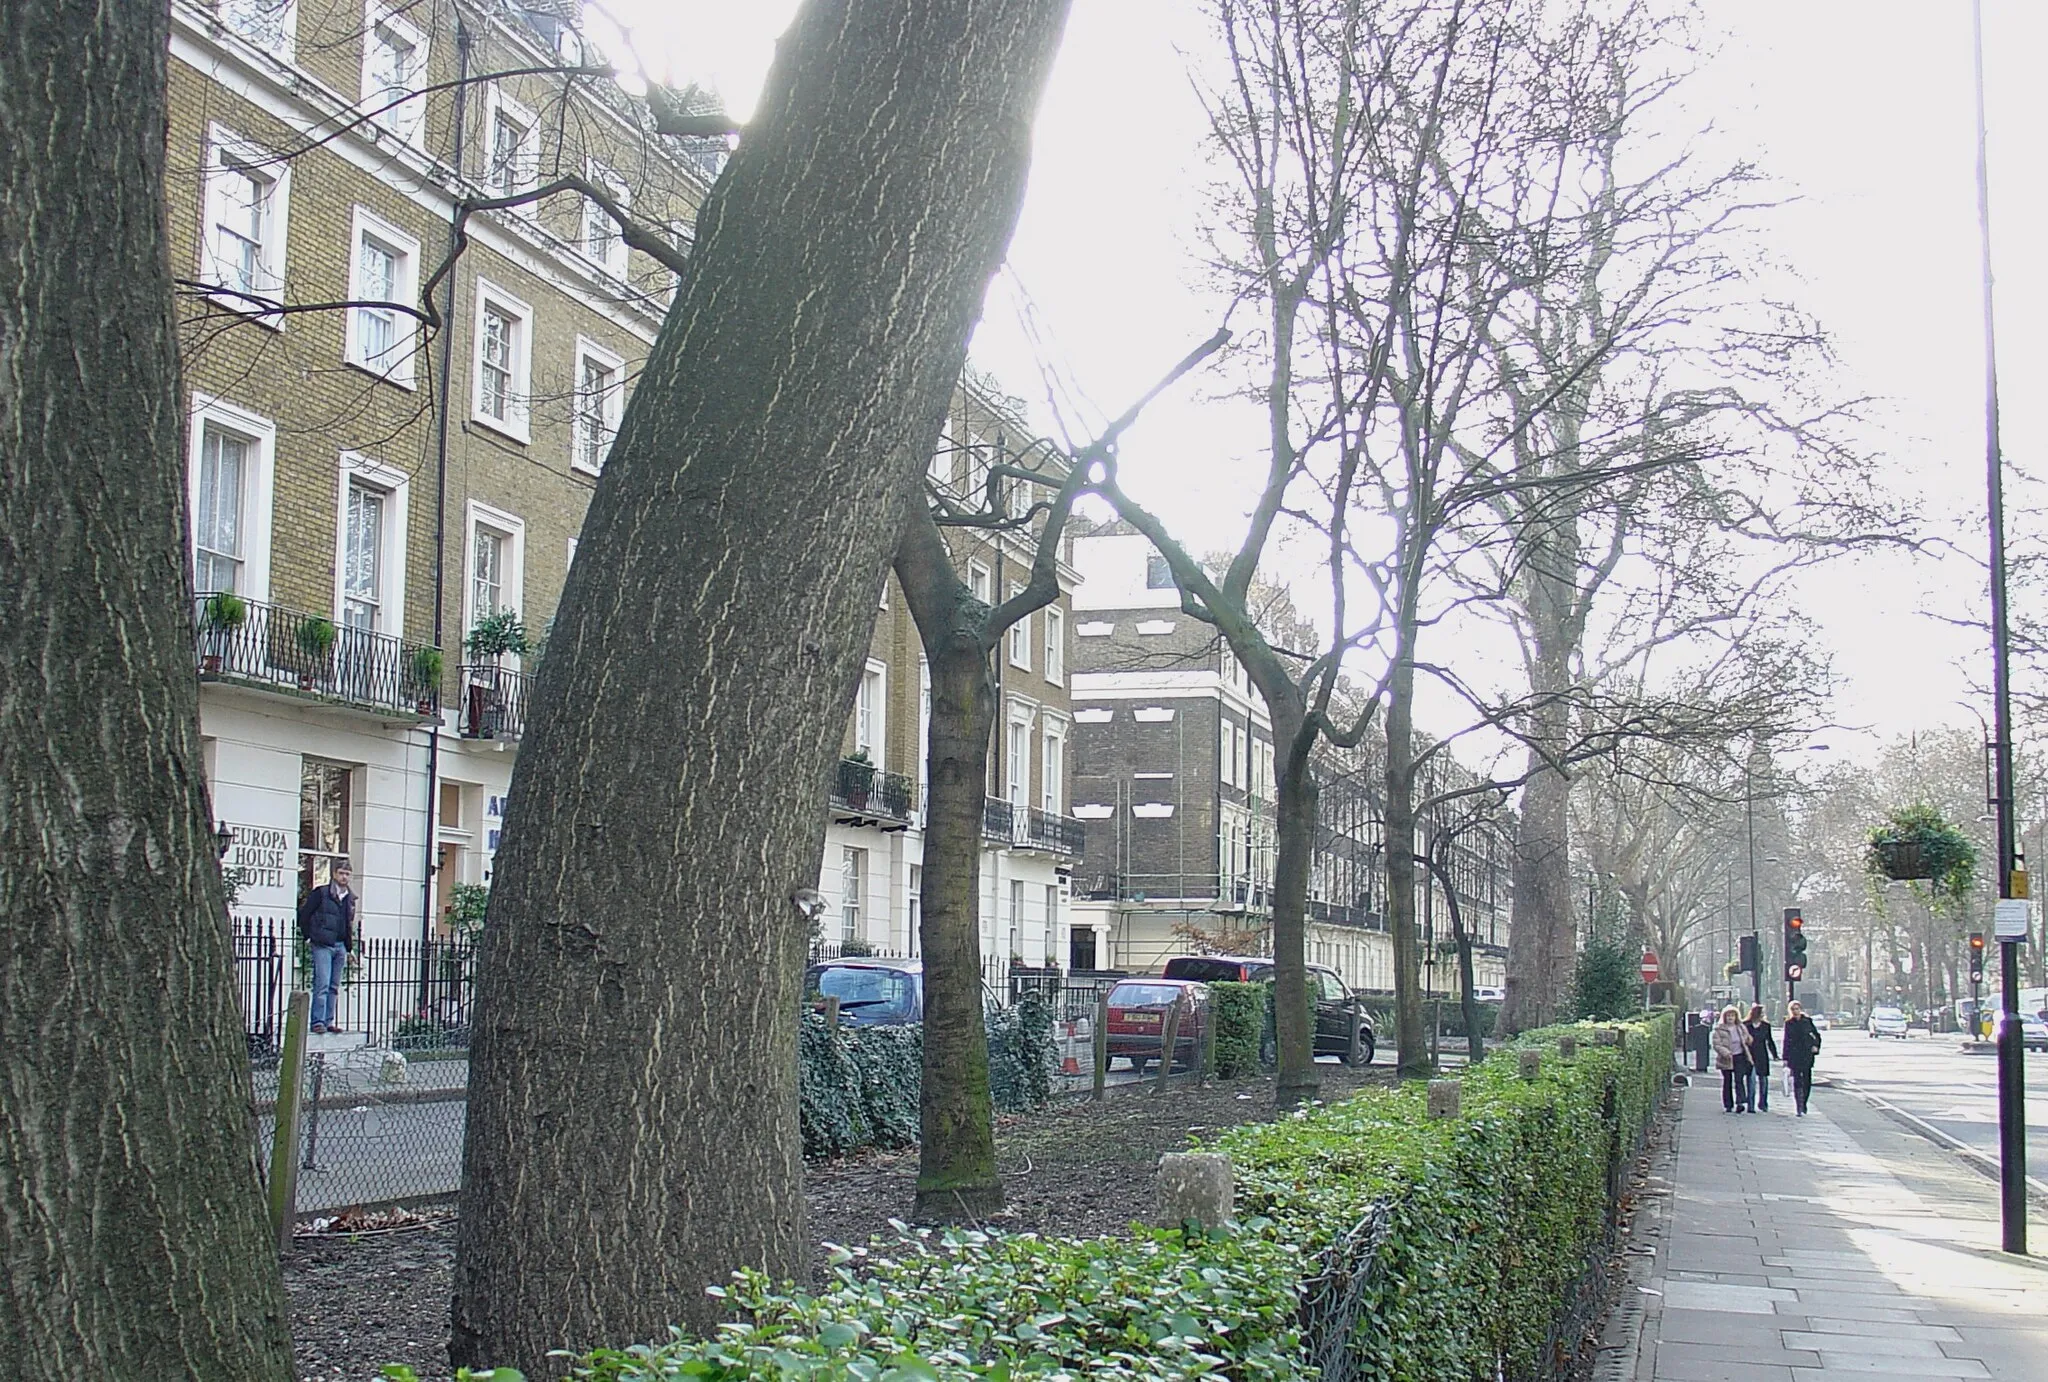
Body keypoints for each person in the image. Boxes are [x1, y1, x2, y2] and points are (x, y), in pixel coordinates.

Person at [296, 861, 356, 1034]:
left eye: (347, 874)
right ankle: (318, 1021)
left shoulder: (349, 899)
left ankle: (329, 1021)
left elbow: (348, 924)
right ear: (334, 874)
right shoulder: (321, 893)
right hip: (322, 944)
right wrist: (309, 937)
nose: (344, 877)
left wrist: (349, 948)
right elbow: (304, 915)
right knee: (322, 983)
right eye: (341, 873)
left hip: (340, 946)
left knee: (334, 986)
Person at [1781, 1000, 1823, 1116]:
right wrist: (1785, 1058)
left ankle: (1804, 1102)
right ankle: (1799, 1105)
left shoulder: (1807, 1021)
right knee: (1797, 1081)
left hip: (1807, 1054)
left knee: (1807, 1080)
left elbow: (1816, 1036)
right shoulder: (1789, 1023)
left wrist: (1816, 1046)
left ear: (1800, 1009)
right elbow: (1786, 1041)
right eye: (1793, 1009)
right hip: (1794, 1055)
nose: (1795, 1011)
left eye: (1797, 1009)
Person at [1711, 1006, 1748, 1112]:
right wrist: (1725, 1052)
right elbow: (1716, 1044)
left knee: (1739, 1079)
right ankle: (1728, 1104)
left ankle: (1740, 1102)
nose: (1730, 1018)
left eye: (1732, 1015)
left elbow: (1745, 1038)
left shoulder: (1740, 1027)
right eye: (1728, 1016)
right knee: (1727, 1081)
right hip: (1726, 1057)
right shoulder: (1719, 1029)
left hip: (1739, 1056)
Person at [1743, 1003, 1779, 1113]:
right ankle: (1751, 1104)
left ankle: (1763, 1103)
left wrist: (1775, 1054)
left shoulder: (1765, 1026)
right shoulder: (1746, 1025)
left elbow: (1769, 1040)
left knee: (1763, 1080)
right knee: (1751, 1080)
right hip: (1749, 1054)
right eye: (1761, 1013)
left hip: (1762, 1054)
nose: (1762, 1015)